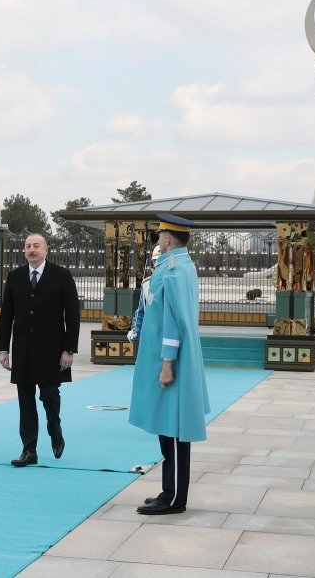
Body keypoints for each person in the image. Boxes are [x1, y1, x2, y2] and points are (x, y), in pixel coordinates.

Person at [129, 213, 210, 515]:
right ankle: (168, 490)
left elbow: (173, 322)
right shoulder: (180, 266)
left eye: (160, 236)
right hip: (168, 358)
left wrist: (167, 363)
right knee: (167, 427)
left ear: (166, 239)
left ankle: (175, 498)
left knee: (173, 430)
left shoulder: (172, 271)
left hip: (169, 360)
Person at [0, 232, 80, 467]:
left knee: (50, 396)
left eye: (36, 246)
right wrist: (3, 348)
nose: (31, 250)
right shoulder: (14, 277)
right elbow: (7, 316)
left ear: (46, 250)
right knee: (25, 399)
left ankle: (55, 430)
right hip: (23, 348)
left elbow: (73, 316)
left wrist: (69, 349)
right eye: (27, 246)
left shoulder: (62, 276)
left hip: (52, 349)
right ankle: (29, 449)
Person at [127, 244, 161, 344]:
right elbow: (141, 311)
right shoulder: (146, 284)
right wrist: (135, 330)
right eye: (155, 261)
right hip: (149, 334)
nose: (157, 264)